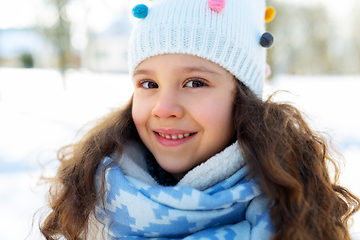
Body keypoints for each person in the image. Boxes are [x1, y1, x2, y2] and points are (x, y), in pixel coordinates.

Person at [39, 0, 359, 239]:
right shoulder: (88, 206)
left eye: (195, 83)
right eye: (148, 84)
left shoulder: (294, 217)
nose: (164, 108)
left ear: (245, 100)